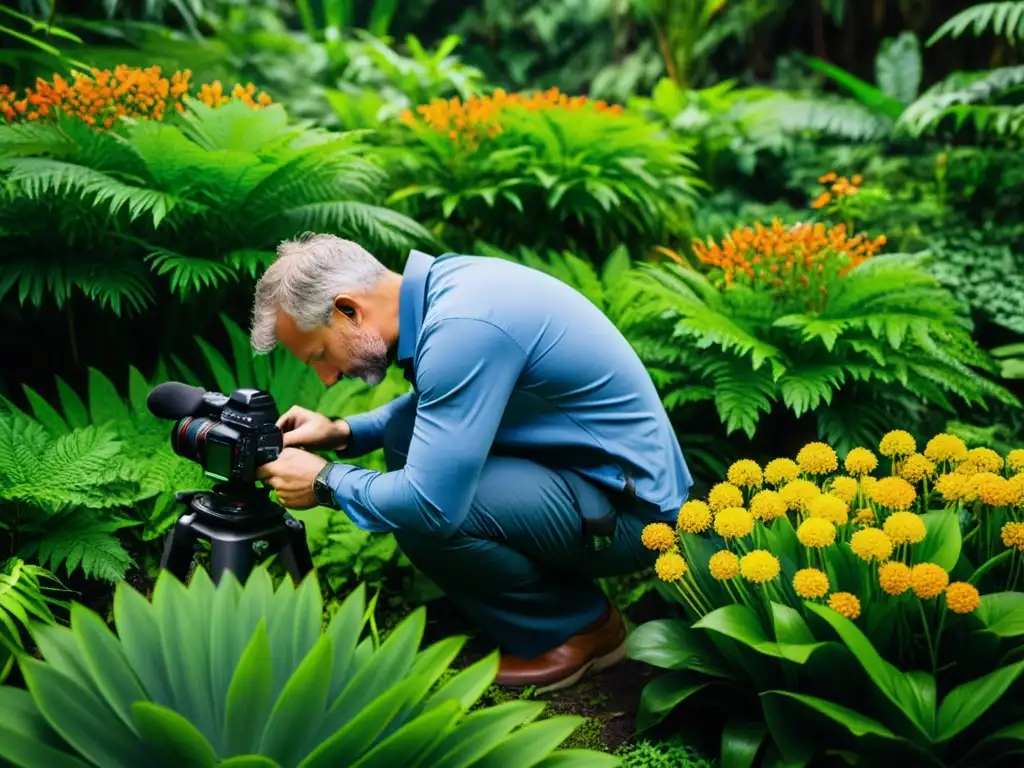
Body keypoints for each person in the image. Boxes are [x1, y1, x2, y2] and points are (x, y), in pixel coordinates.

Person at [251, 232, 693, 692]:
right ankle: (559, 606)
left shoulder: (463, 327)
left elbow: (428, 503)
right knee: (405, 438)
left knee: (419, 513)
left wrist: (324, 481)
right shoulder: (451, 288)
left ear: (348, 309)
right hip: (598, 480)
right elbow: (442, 404)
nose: (326, 377)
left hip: (633, 517)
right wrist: (345, 431)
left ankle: (577, 629)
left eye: (319, 355)